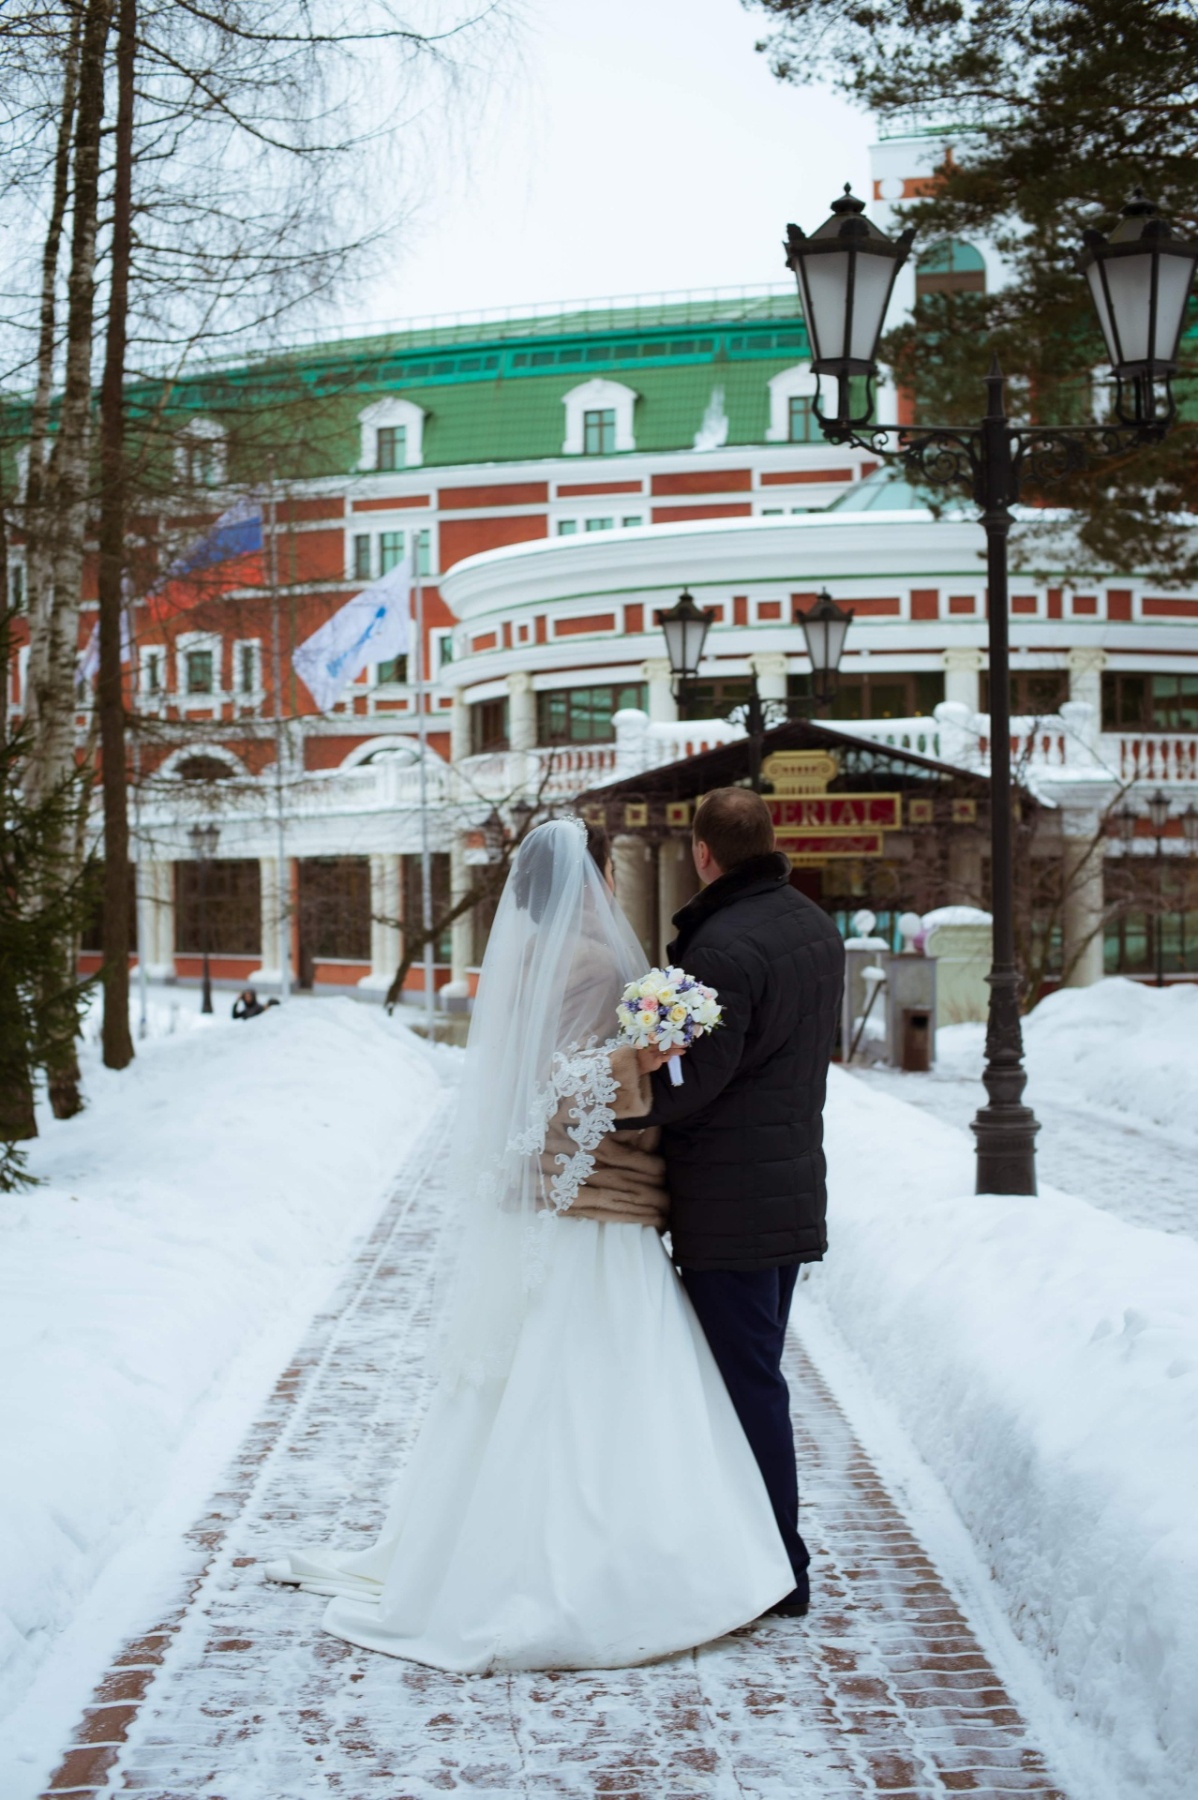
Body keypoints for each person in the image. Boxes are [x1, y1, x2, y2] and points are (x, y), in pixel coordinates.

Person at [264, 816, 793, 1671]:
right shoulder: (596, 961)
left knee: (540, 1375)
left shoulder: (531, 956)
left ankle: (490, 1542)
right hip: (591, 1202)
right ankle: (597, 1567)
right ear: (595, 880)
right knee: (601, 1374)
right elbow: (567, 1081)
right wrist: (647, 1059)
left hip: (553, 1199)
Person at [622, 787, 845, 1618]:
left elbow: (696, 1082)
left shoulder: (719, 950)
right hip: (787, 1182)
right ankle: (758, 1553)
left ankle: (780, 1568)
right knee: (754, 1369)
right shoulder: (811, 926)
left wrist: (630, 1086)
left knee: (744, 1382)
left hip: (730, 1197)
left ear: (703, 852)